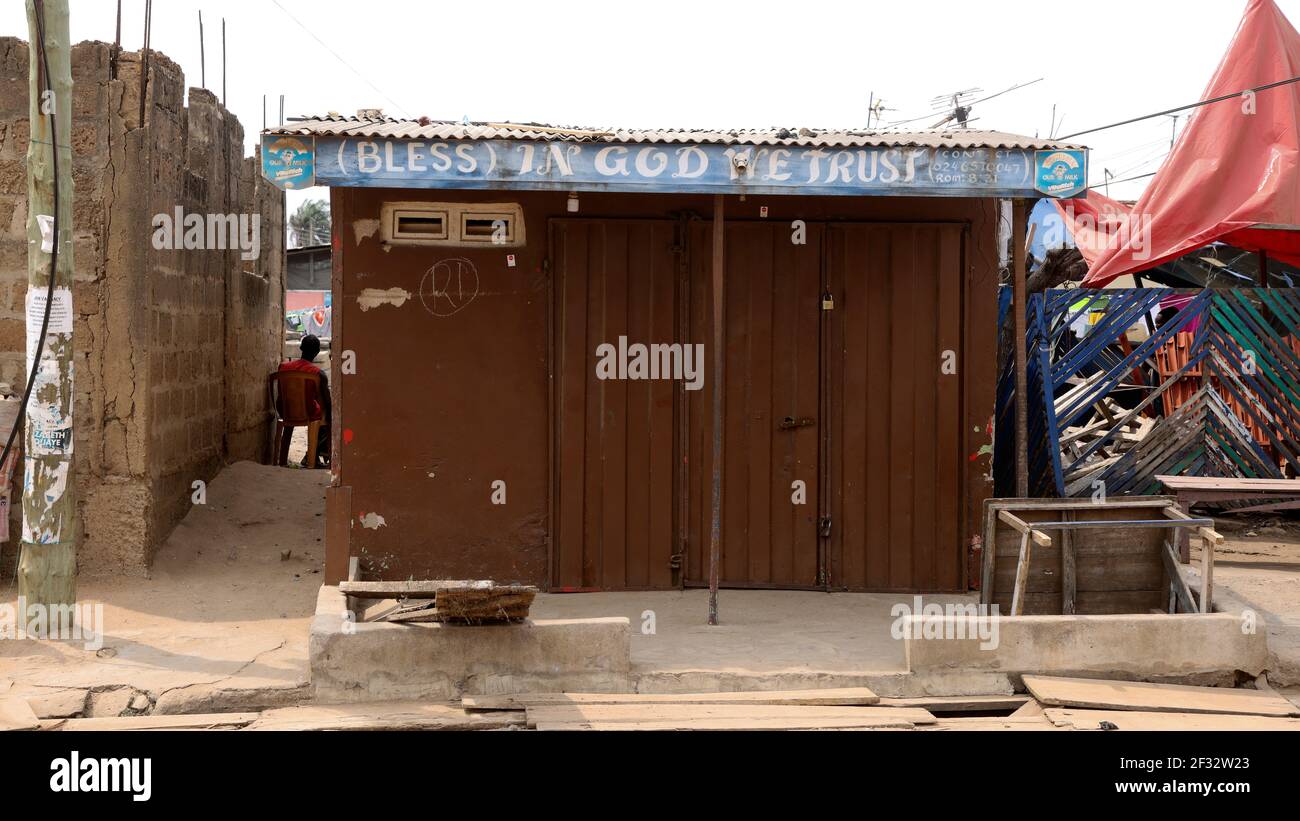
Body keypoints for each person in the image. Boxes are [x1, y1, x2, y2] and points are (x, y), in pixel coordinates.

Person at [279, 334, 331, 467]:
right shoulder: (318, 374)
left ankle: (283, 460)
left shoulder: (283, 368)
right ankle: (312, 456)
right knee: (327, 414)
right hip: (309, 413)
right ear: (318, 352)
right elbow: (327, 401)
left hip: (286, 411)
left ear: (301, 348)